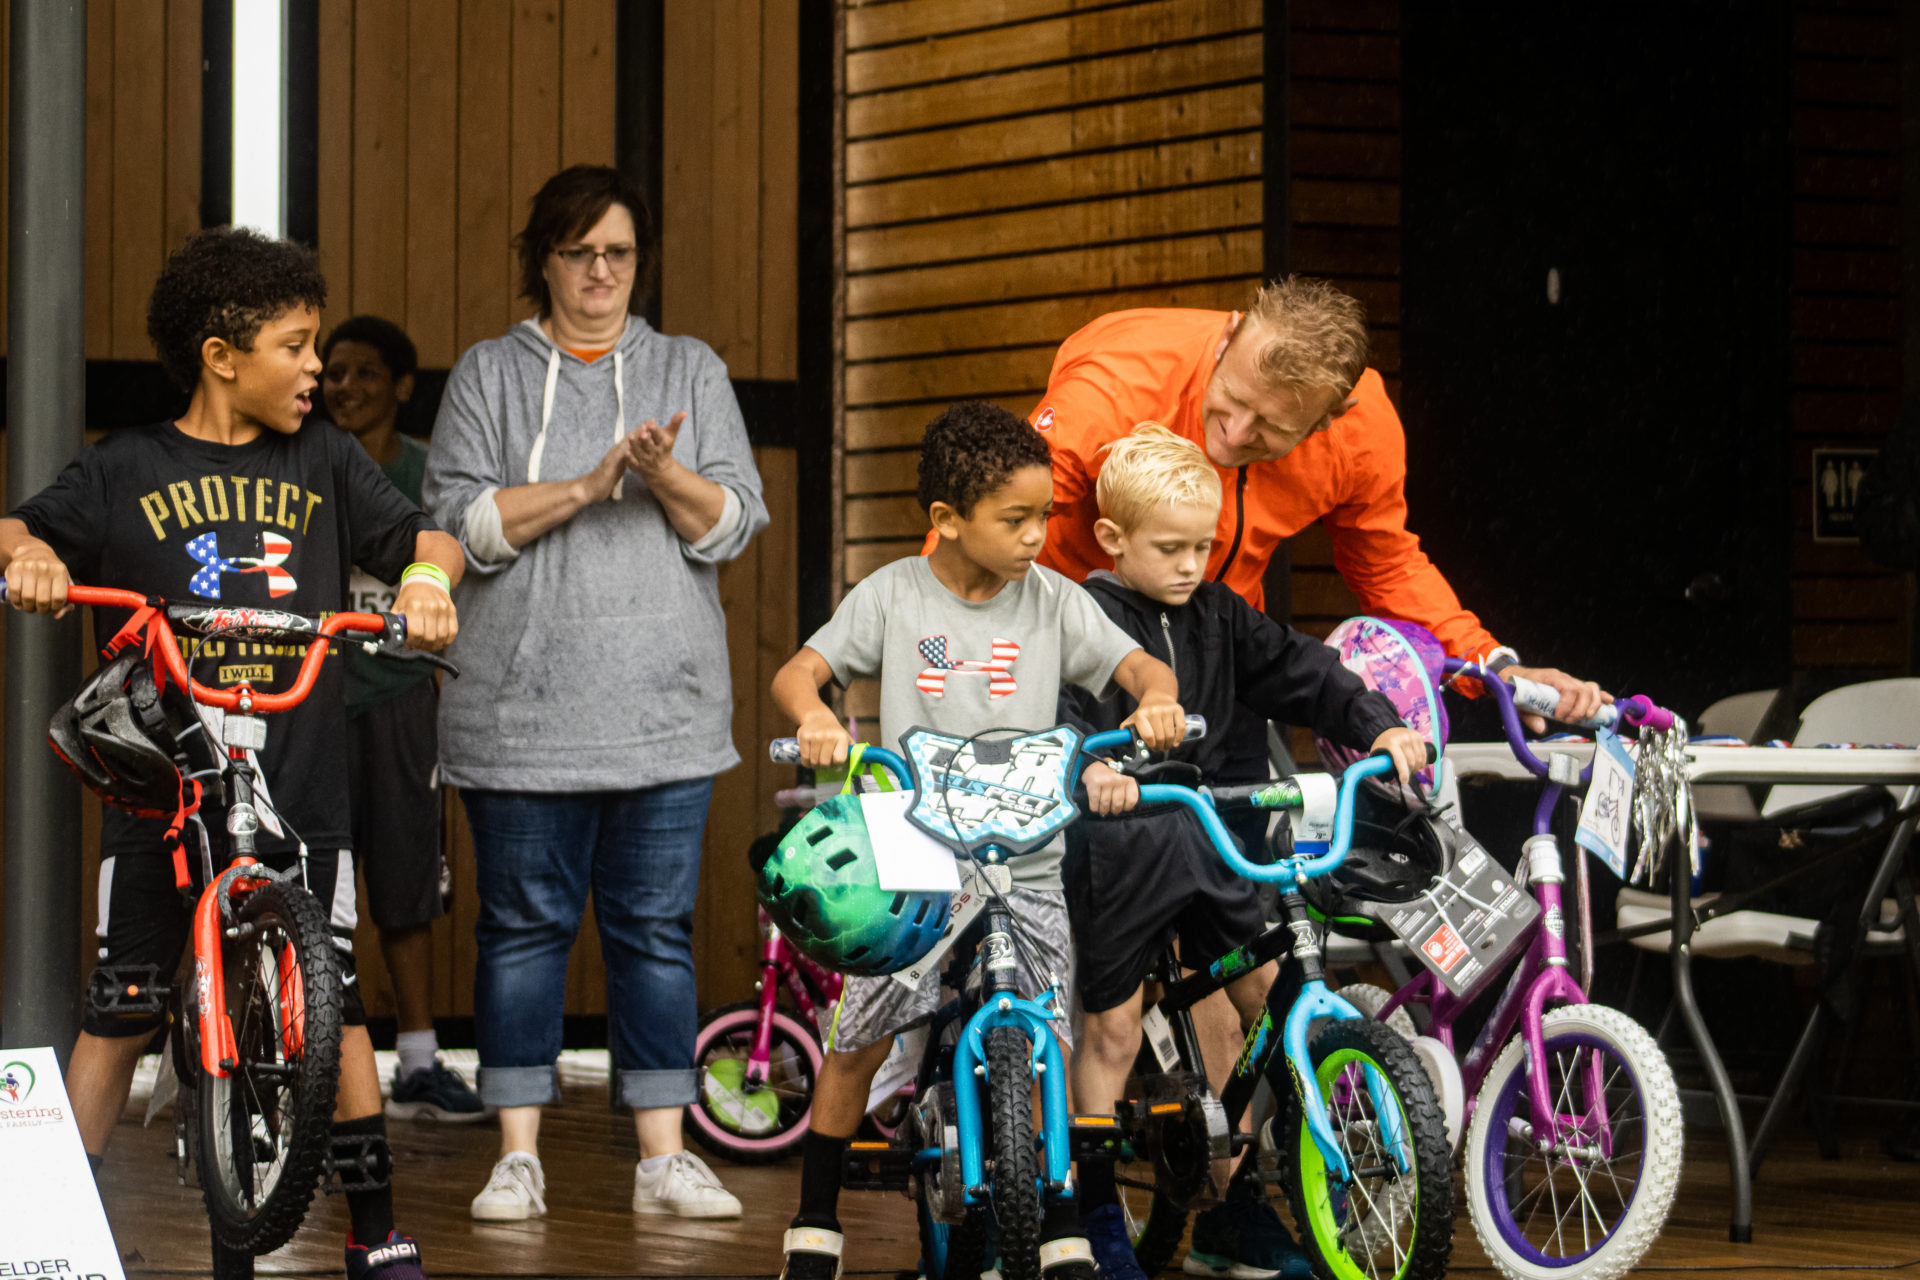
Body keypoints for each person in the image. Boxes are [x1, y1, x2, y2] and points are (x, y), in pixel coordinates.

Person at [0, 227, 462, 1278]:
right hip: (162, 790)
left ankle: (377, 1233)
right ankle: (48, 1238)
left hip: (299, 786)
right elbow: (20, 532)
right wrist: (32, 561)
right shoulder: (126, 467)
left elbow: (425, 538)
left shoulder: (328, 460)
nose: (316, 369)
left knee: (331, 993)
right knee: (122, 1001)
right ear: (221, 355)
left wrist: (428, 581)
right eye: (295, 347)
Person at [769, 400, 1190, 1280]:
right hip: (915, 859)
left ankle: (1060, 1220)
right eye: (1016, 519)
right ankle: (815, 1223)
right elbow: (800, 672)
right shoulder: (894, 594)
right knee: (860, 1037)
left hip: (1025, 861)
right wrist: (815, 717)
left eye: (1045, 516)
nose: (1037, 535)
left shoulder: (1057, 602)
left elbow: (1138, 666)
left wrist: (1156, 696)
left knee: (1046, 1040)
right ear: (948, 519)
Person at [422, 164, 768, 1222]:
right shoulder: (488, 373)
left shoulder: (688, 367)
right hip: (518, 715)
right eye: (580, 253)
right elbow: (459, 524)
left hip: (663, 712)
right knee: (521, 932)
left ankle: (664, 1159)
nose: (601, 272)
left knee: (655, 932)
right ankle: (516, 1156)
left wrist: (660, 472)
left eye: (619, 253)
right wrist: (586, 483)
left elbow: (733, 523)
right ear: (545, 260)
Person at [1060, 426, 1425, 1280]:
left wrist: (1379, 724)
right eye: (1171, 548)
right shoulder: (1081, 615)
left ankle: (1236, 1204)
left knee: (1265, 998)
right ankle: (1096, 1214)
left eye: (1204, 545)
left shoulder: (1221, 614)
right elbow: (1055, 711)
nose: (1192, 564)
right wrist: (1091, 767)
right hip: (1120, 846)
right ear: (1113, 538)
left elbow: (1305, 670)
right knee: (1112, 1028)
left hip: (1213, 835)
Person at [322, 315, 489, 1123]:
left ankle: (418, 1059)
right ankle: (315, 1059)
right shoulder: (307, 464)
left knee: (406, 878)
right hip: (312, 698)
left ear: (402, 387)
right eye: (333, 372)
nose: (343, 386)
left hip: (399, 698)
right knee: (311, 880)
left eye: (363, 372)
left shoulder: (424, 476)